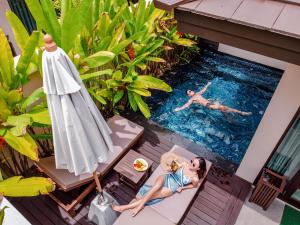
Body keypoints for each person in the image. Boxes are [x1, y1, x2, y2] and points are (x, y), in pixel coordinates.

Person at [112, 155, 207, 217]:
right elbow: (171, 169)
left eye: (193, 164)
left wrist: (182, 187)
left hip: (171, 187)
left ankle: (123, 207)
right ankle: (140, 205)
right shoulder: (184, 164)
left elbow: (193, 186)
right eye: (191, 161)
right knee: (156, 187)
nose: (190, 163)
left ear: (198, 168)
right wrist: (171, 168)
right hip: (167, 177)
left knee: (151, 195)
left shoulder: (195, 179)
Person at [174, 82, 252, 116]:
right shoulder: (191, 99)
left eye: (191, 90)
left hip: (211, 103)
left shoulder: (197, 94)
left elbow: (203, 90)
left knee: (223, 109)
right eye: (189, 91)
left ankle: (229, 119)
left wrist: (207, 84)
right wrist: (179, 108)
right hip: (209, 105)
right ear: (188, 95)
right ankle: (242, 113)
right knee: (225, 107)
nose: (191, 91)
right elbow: (186, 105)